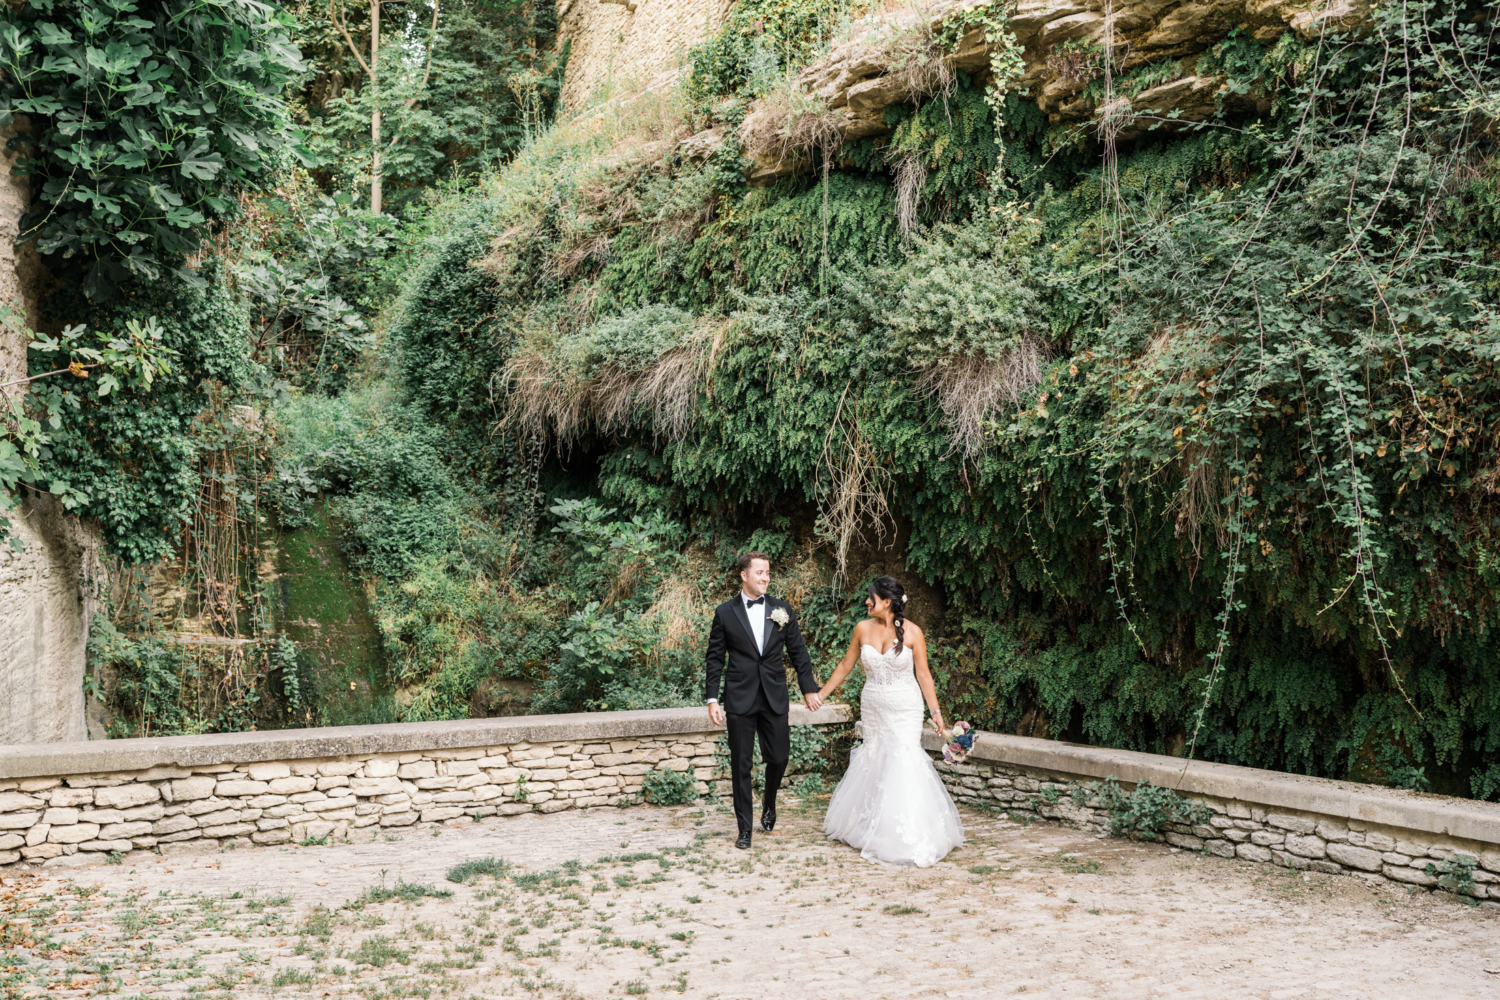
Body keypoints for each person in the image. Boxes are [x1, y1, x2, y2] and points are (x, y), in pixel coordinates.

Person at [815, 575, 964, 867]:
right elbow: (846, 665)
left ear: (886, 602)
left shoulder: (913, 633)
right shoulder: (861, 629)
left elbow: (923, 675)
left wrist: (936, 714)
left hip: (905, 708)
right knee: (876, 759)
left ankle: (907, 833)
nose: (867, 601)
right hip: (874, 706)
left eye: (871, 597)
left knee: (903, 759)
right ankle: (871, 825)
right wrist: (820, 695)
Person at [704, 552, 821, 849]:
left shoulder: (782, 609)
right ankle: (745, 829)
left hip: (773, 696)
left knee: (779, 757)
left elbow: (799, 653)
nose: (765, 577)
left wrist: (808, 688)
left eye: (767, 572)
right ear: (744, 575)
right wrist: (712, 698)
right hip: (739, 697)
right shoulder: (725, 613)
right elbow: (715, 658)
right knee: (740, 765)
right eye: (759, 572)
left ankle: (769, 803)